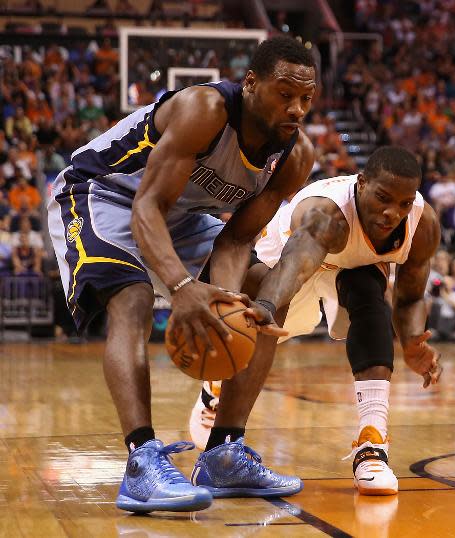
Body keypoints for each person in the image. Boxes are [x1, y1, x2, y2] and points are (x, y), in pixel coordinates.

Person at [46, 36, 317, 513]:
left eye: (306, 99)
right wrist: (184, 288)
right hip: (104, 194)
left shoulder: (294, 157)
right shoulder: (204, 110)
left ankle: (223, 452)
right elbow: (147, 207)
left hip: (182, 216)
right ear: (250, 83)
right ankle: (141, 460)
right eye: (284, 94)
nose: (296, 108)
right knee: (130, 297)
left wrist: (222, 308)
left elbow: (235, 241)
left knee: (257, 298)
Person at [189, 146, 442, 496]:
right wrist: (263, 306)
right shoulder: (326, 212)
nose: (392, 213)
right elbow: (292, 269)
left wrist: (413, 341)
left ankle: (372, 446)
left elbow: (411, 296)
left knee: (371, 297)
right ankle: (217, 392)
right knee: (256, 319)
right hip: (281, 269)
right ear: (361, 183)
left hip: (349, 270)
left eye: (403, 203)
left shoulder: (421, 221)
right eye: (383, 198)